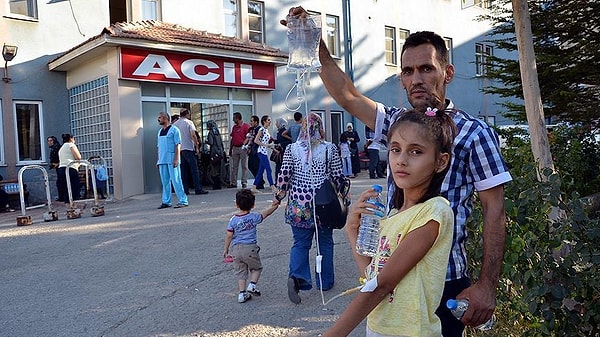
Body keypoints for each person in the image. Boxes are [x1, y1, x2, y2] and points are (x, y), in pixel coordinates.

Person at [283, 9, 512, 335]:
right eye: (408, 71)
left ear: (447, 73)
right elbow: (348, 96)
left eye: (426, 69)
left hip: (441, 281)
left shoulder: (474, 134)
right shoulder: (398, 123)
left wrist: (487, 285)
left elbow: (495, 209)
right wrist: (316, 45)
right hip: (389, 272)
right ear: (401, 78)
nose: (416, 78)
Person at [324, 109, 456, 336]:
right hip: (378, 327)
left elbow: (382, 286)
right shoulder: (393, 214)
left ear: (441, 161)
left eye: (416, 151)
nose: (401, 160)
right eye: (395, 150)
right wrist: (352, 230)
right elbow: (372, 277)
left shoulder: (434, 212)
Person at [275, 113, 345, 304]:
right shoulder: (329, 149)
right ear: (320, 127)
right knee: (325, 242)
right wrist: (343, 196)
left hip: (298, 205)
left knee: (300, 243)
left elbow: (284, 176)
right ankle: (325, 281)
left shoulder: (291, 149)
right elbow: (339, 177)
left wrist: (279, 195)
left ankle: (297, 277)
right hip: (324, 205)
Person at [223, 189, 280, 303]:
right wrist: (275, 206)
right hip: (250, 248)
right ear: (253, 205)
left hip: (236, 250)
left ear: (237, 204)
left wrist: (226, 249)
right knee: (256, 268)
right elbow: (266, 213)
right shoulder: (253, 217)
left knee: (241, 272)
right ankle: (252, 285)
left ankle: (242, 294)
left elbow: (229, 235)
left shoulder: (233, 220)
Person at [156, 111, 189, 209]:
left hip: (172, 159)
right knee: (165, 182)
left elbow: (177, 145)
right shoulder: (160, 131)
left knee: (176, 180)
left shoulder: (175, 130)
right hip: (162, 160)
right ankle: (166, 201)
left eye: (160, 117)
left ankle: (183, 200)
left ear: (166, 118)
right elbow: (158, 147)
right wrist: (158, 160)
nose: (158, 119)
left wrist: (176, 159)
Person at [173, 108, 208, 195]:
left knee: (183, 171)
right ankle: (198, 188)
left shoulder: (175, 124)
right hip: (188, 148)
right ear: (187, 114)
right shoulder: (189, 122)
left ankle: (185, 189)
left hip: (180, 149)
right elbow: (193, 134)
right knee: (194, 170)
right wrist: (196, 146)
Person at [251, 115, 276, 195]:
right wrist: (267, 145)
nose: (270, 121)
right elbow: (256, 140)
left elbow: (265, 142)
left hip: (263, 151)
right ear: (264, 121)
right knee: (268, 169)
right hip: (261, 152)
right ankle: (273, 187)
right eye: (268, 120)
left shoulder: (266, 130)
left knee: (260, 171)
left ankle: (254, 187)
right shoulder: (262, 129)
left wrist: (273, 148)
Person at [57, 133, 82, 203]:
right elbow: (78, 157)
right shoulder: (71, 145)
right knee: (74, 188)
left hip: (61, 169)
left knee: (66, 189)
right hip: (70, 168)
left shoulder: (62, 147)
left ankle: (69, 207)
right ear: (71, 138)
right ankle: (74, 206)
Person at [228, 112, 250, 189]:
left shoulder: (245, 126)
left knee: (244, 166)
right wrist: (230, 149)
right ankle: (233, 182)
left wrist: (246, 145)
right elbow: (232, 139)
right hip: (235, 147)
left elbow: (249, 137)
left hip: (242, 148)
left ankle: (244, 182)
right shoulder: (234, 127)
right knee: (234, 166)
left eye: (234, 118)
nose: (233, 119)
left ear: (238, 118)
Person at [206, 120, 227, 190]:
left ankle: (216, 185)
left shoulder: (211, 133)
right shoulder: (217, 132)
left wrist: (206, 141)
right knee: (219, 168)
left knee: (214, 169)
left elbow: (211, 142)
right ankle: (219, 184)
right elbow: (221, 142)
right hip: (220, 152)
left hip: (214, 152)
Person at [246, 115, 265, 190]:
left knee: (256, 167)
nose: (250, 123)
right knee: (251, 165)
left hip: (257, 150)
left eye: (252, 121)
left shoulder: (259, 129)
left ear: (256, 122)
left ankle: (259, 182)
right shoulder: (253, 129)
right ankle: (260, 180)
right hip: (253, 150)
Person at [47, 136, 62, 200]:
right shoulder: (53, 148)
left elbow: (61, 158)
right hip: (57, 167)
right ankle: (61, 196)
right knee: (59, 182)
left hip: (61, 167)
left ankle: (62, 197)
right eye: (48, 141)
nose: (49, 142)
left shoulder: (58, 148)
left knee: (61, 182)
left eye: (51, 141)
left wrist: (57, 164)